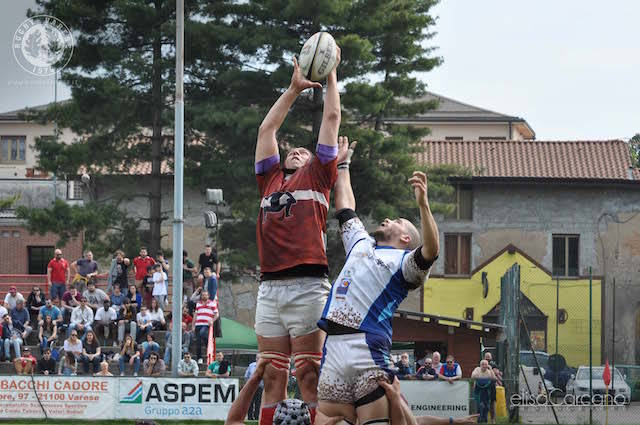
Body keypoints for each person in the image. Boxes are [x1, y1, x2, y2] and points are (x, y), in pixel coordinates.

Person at [316, 137, 439, 424]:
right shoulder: (360, 242)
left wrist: (423, 205)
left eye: (397, 220)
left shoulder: (406, 263)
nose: (388, 219)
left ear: (406, 238)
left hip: (366, 346)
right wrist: (343, 165)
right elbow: (345, 207)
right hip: (333, 344)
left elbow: (431, 251)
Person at [253, 48, 342, 425]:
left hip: (307, 284)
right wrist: (293, 89)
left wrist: (331, 74)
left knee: (308, 375)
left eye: (306, 150)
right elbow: (267, 129)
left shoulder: (320, 175)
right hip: (270, 287)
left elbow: (333, 116)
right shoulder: (269, 179)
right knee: (271, 375)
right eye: (294, 149)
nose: (299, 150)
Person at [193, 291, 218, 364]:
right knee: (198, 342)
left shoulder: (212, 303)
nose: (204, 296)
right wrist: (193, 325)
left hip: (206, 324)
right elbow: (195, 315)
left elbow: (216, 314)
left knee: (202, 333)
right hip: (198, 324)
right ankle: (199, 358)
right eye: (203, 295)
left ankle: (209, 345)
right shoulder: (198, 303)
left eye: (205, 295)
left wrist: (212, 321)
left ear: (208, 296)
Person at [203, 266, 222, 338]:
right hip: (207, 298)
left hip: (211, 299)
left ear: (210, 272)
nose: (206, 273)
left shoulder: (212, 279)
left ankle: (217, 331)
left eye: (207, 272)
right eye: (205, 272)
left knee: (214, 314)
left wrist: (210, 300)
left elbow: (213, 291)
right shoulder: (206, 279)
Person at [244, 354, 264, 421]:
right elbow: (246, 376)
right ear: (255, 358)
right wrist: (248, 384)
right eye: (257, 358)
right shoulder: (251, 365)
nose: (258, 359)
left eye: (259, 358)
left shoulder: (264, 366)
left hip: (260, 387)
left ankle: (256, 417)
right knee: (250, 402)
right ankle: (250, 417)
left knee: (258, 402)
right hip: (251, 387)